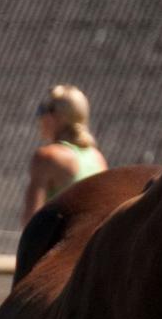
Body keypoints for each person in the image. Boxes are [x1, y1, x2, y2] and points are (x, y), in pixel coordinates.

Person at [22, 84, 107, 226]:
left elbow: (30, 222)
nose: (39, 118)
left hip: (59, 246)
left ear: (56, 116)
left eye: (41, 110)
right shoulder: (98, 158)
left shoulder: (47, 157)